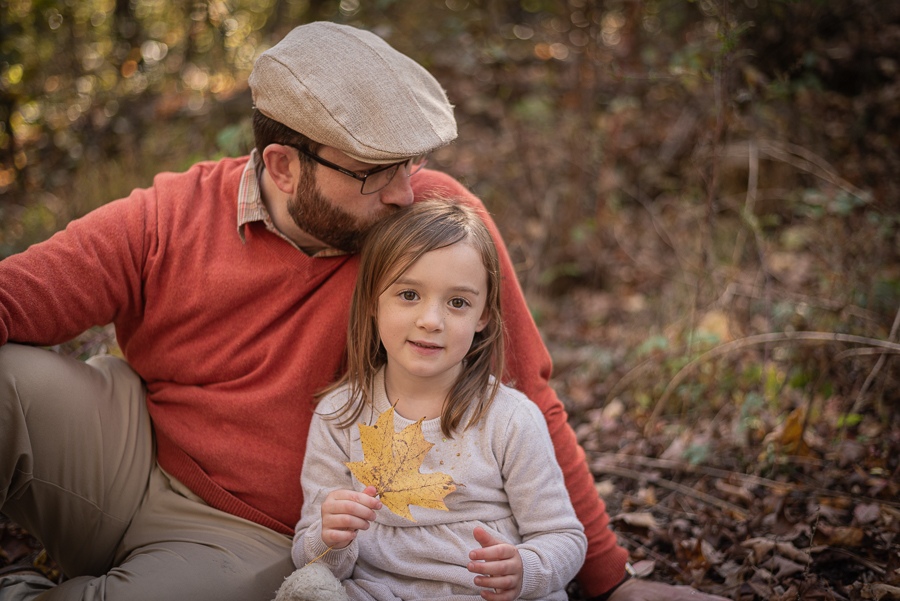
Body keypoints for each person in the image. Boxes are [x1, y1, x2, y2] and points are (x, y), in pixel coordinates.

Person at [0, 20, 728, 601]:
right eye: (375, 171)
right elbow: (16, 295)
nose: (405, 192)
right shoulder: (169, 216)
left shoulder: (434, 225)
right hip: (125, 452)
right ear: (283, 167)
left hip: (250, 535)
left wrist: (613, 581)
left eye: (408, 162)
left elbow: (528, 388)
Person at [285, 199, 586, 601]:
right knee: (308, 590)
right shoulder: (340, 415)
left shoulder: (509, 420)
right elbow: (315, 557)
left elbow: (563, 536)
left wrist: (526, 568)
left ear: (482, 317)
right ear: (373, 300)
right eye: (409, 294)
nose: (431, 319)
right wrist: (330, 537)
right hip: (378, 592)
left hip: (482, 595)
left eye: (457, 302)